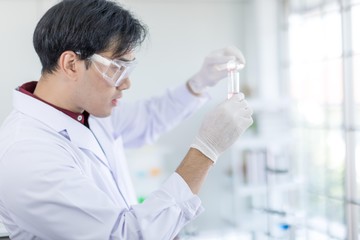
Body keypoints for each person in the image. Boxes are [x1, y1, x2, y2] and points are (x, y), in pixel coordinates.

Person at [0, 0, 253, 239]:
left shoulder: (87, 113)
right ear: (71, 64)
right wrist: (205, 151)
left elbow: (151, 117)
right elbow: (124, 234)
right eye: (117, 68)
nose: (127, 83)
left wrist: (200, 82)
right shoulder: (27, 153)